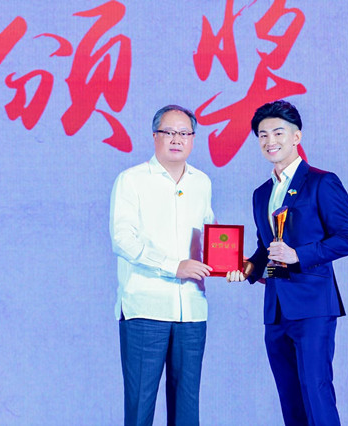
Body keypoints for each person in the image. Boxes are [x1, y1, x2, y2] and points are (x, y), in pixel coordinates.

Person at [227, 100, 348, 425]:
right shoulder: (261, 193)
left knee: (316, 391)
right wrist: (249, 267)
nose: (270, 141)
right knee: (289, 396)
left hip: (312, 306)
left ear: (296, 136)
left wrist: (299, 255)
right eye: (262, 135)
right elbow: (266, 247)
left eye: (278, 132)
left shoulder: (321, 182)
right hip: (275, 310)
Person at [110, 105, 215, 426]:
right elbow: (123, 240)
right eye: (168, 132)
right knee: (140, 406)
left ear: (193, 139)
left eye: (184, 133)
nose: (176, 139)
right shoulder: (132, 180)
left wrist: (231, 263)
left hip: (192, 309)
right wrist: (173, 266)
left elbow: (210, 235)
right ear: (154, 136)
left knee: (187, 408)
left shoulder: (201, 182)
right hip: (146, 307)